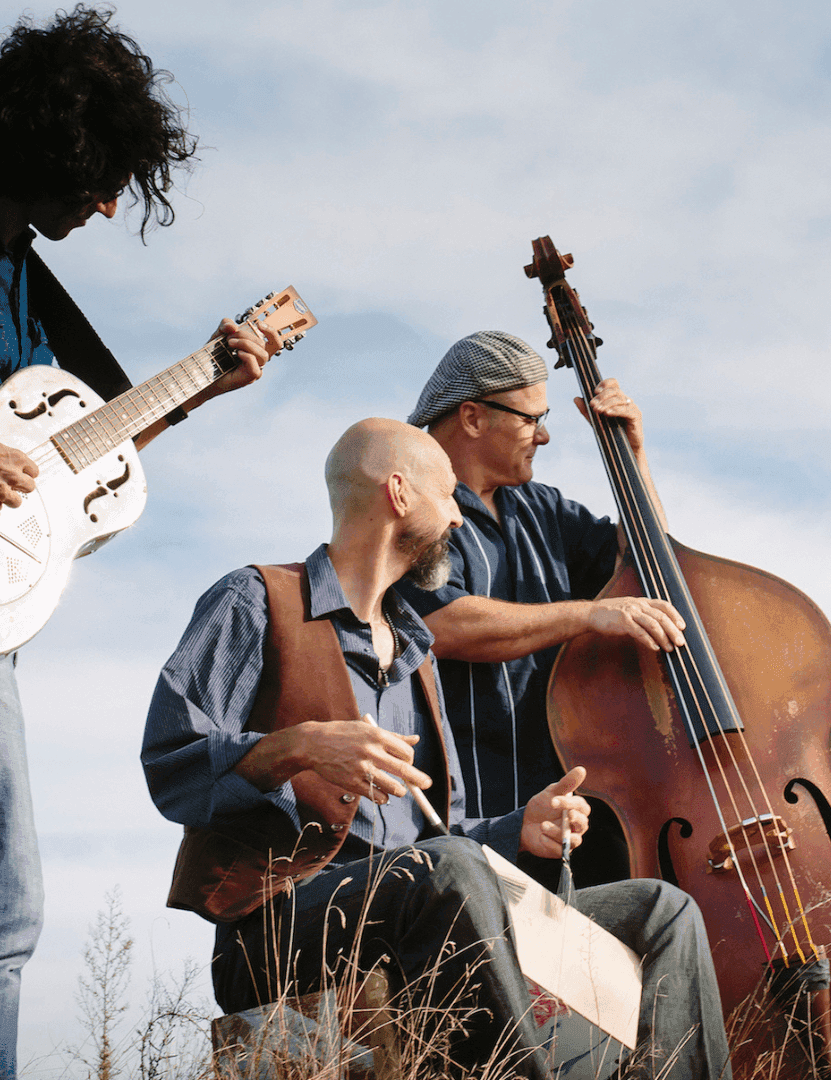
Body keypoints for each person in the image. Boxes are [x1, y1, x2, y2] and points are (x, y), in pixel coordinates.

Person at [141, 417, 731, 1080]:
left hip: (418, 895)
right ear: (399, 493)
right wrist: (297, 748)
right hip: (277, 928)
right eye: (447, 494)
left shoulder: (417, 652)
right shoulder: (255, 600)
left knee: (658, 910)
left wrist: (520, 828)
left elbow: (439, 838)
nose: (457, 516)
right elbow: (173, 764)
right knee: (445, 869)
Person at [0, 8, 278, 1071]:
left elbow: (86, 445)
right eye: (105, 173)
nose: (114, 200)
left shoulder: (27, 281)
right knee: (8, 904)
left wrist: (207, 381)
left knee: (9, 910)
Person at [396, 331, 685, 886]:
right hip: (476, 805)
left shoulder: (543, 507)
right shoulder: (410, 505)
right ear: (474, 417)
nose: (545, 434)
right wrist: (585, 615)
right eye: (532, 418)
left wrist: (634, 457)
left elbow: (650, 564)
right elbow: (440, 623)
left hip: (578, 797)